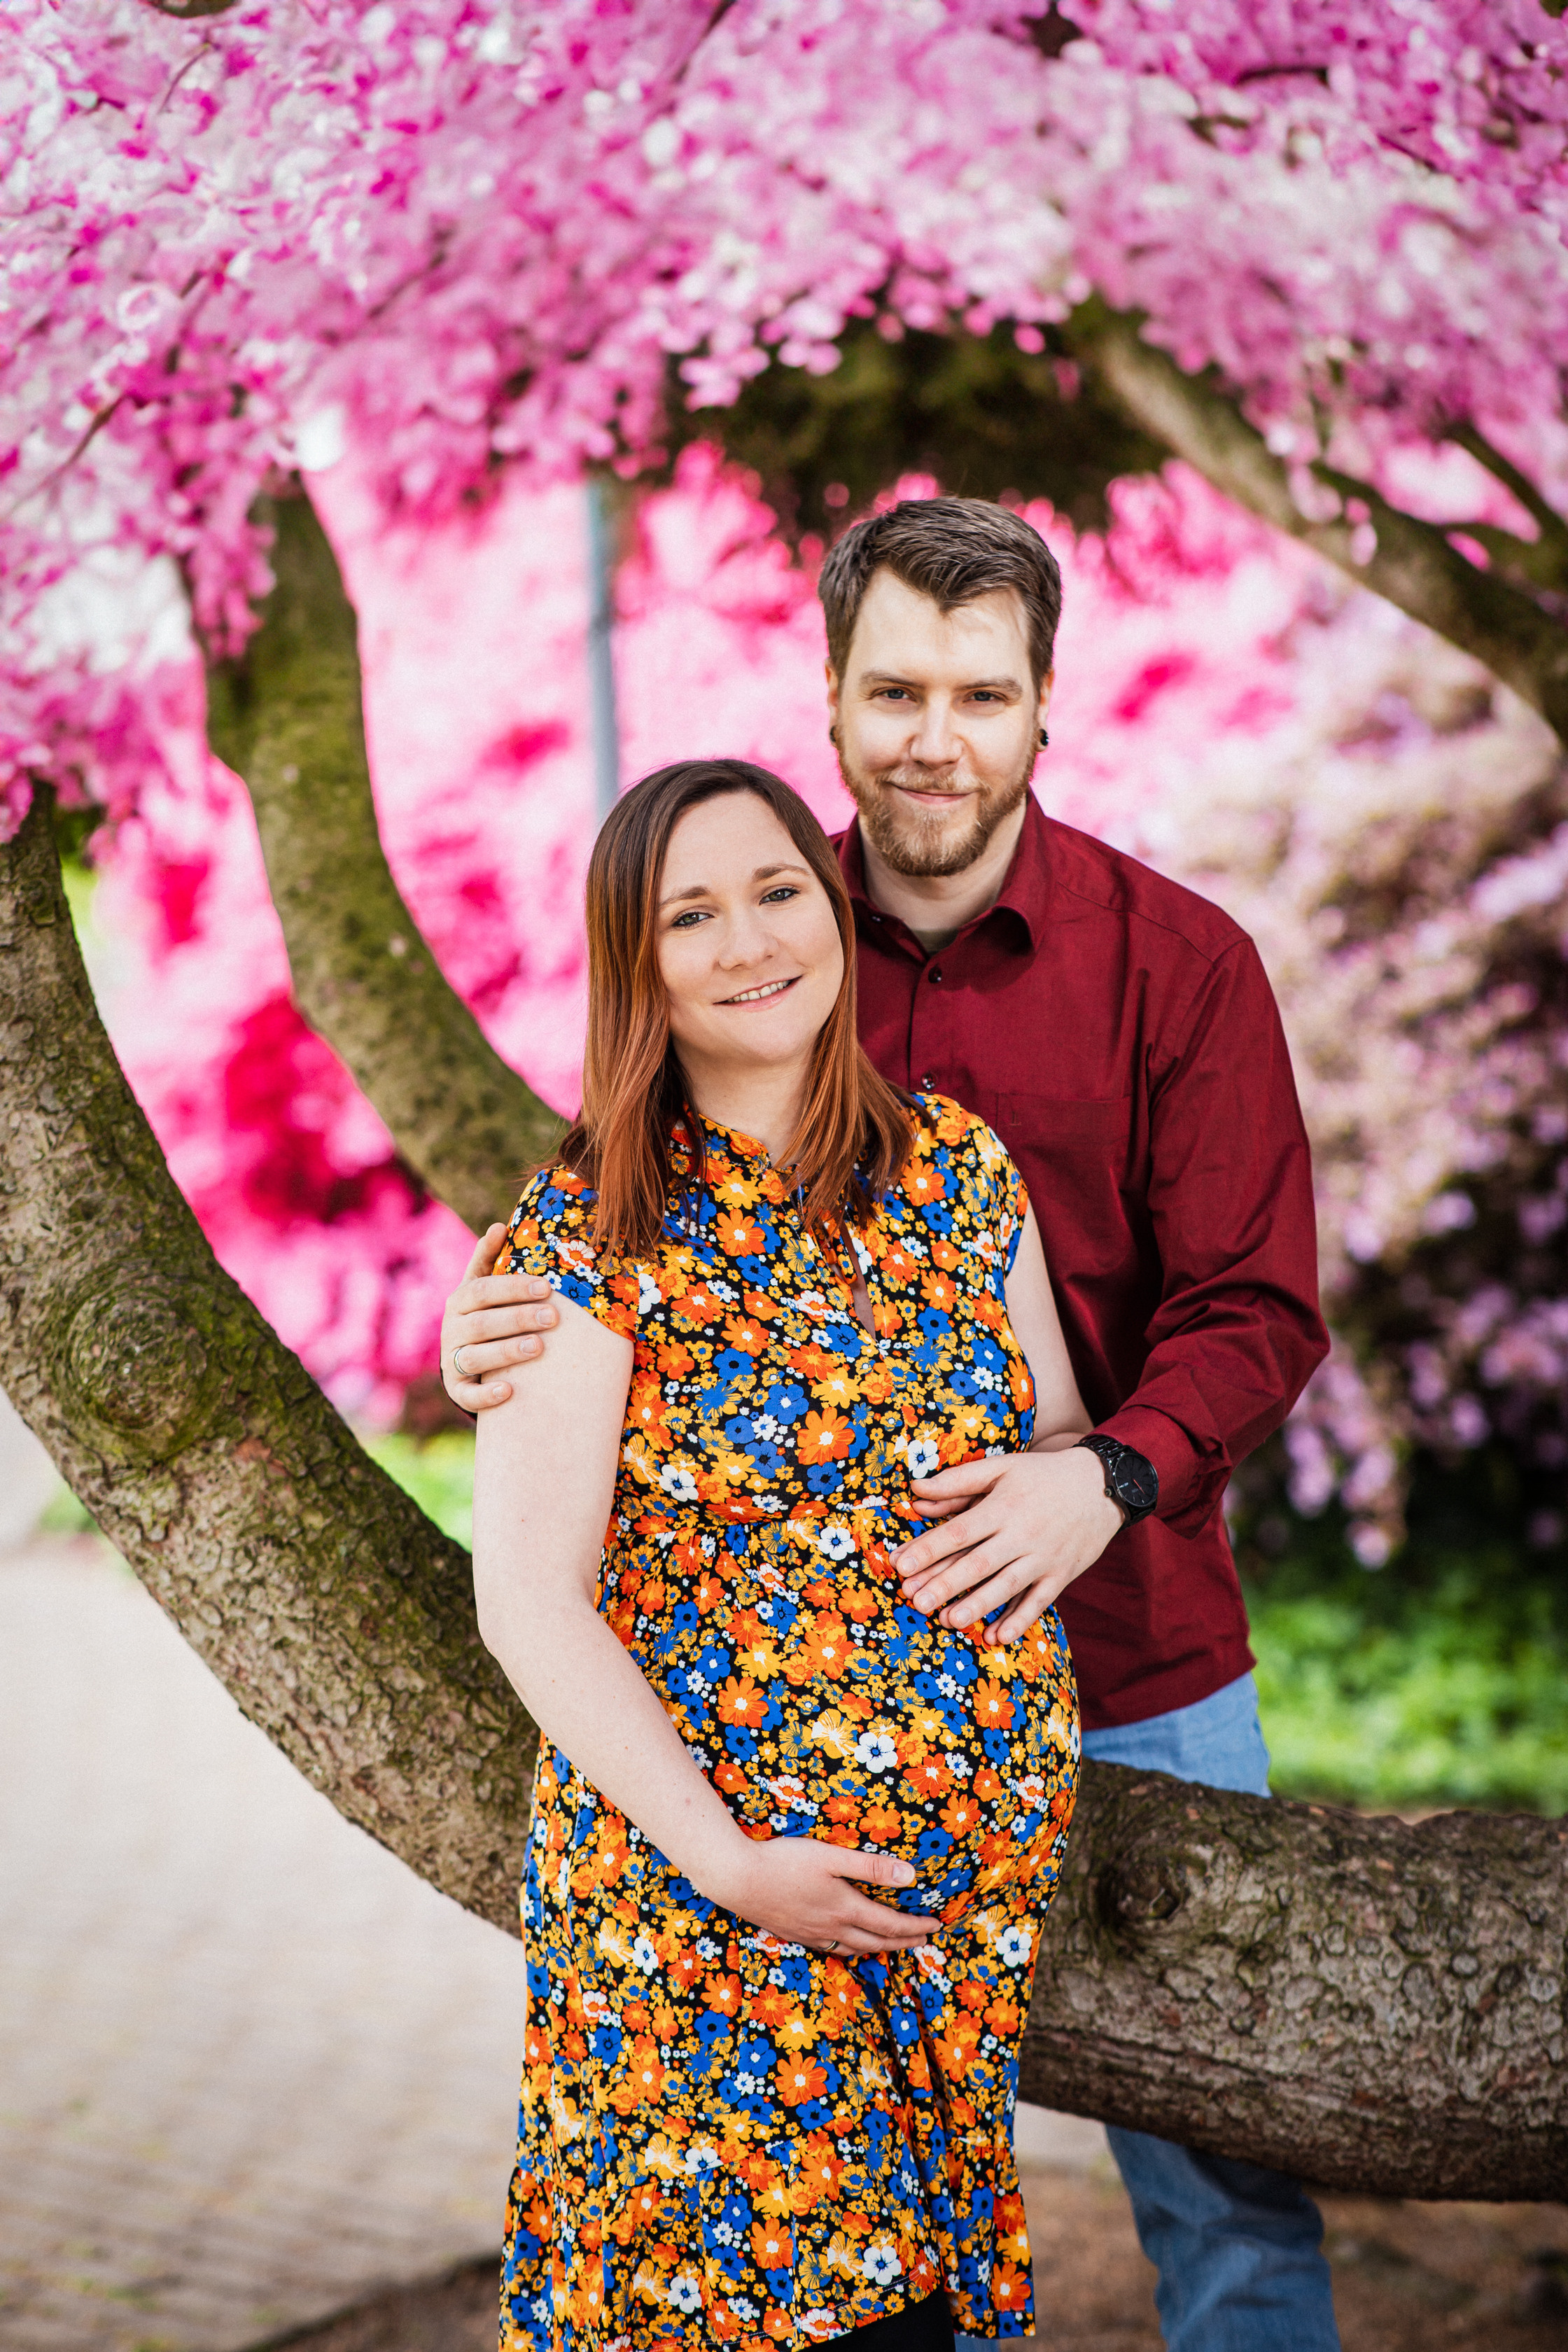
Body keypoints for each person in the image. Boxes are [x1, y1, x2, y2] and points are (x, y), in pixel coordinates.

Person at [447, 500, 1340, 2352]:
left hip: (1142, 1658)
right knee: (799, 2273)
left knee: (1222, 2185)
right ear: (834, 697)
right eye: (897, 689)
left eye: (981, 693)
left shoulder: (1174, 969)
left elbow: (1255, 1310)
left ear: (1042, 708)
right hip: (752, 1828)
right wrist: (501, 1327)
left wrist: (1099, 1479)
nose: (937, 734)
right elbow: (629, 1237)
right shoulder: (759, 911)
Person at [474, 755, 1098, 2351]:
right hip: (711, 1922)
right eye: (690, 914)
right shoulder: (591, 1231)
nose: (750, 939)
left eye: (775, 890)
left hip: (936, 1931)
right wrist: (731, 1863)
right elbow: (527, 1601)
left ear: (834, 910)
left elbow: (1052, 1452)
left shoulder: (959, 1171)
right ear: (641, 968)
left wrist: (1067, 1507)